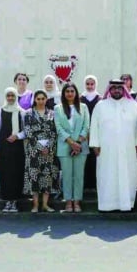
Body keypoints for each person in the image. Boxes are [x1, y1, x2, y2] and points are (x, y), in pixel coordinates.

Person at [89, 80, 137, 212]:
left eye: (119, 88)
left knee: (128, 173)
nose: (117, 90)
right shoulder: (101, 105)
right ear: (109, 90)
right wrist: (95, 144)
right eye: (114, 88)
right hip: (106, 148)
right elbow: (94, 126)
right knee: (107, 174)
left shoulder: (133, 105)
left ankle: (126, 203)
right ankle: (107, 204)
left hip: (128, 147)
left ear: (124, 89)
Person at [55, 83, 90, 213]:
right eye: (67, 91)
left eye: (72, 91)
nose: (70, 93)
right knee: (67, 175)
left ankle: (77, 202)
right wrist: (71, 143)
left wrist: (78, 143)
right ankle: (68, 201)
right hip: (65, 146)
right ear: (64, 94)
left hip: (81, 146)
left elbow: (86, 126)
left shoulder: (84, 107)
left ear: (76, 93)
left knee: (79, 175)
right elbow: (59, 128)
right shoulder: (58, 109)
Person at [23, 89, 57, 213]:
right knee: (34, 177)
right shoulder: (28, 113)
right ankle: (35, 205)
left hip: (49, 150)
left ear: (46, 99)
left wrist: (48, 146)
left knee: (47, 176)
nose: (41, 101)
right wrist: (39, 147)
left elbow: (54, 131)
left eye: (43, 98)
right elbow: (28, 131)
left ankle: (45, 205)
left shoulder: (52, 113)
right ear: (35, 100)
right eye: (38, 99)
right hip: (33, 150)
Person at [0, 88, 26, 213]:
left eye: (12, 95)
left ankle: (15, 202)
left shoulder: (22, 112)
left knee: (16, 173)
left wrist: (17, 136)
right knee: (5, 174)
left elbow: (26, 131)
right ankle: (8, 201)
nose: (10, 98)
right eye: (8, 95)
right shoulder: (0, 111)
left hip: (17, 148)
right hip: (4, 148)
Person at [80, 74, 101, 191]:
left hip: (96, 132)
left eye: (92, 84)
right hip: (83, 133)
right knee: (84, 157)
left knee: (95, 157)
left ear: (95, 84)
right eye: (87, 84)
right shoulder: (80, 98)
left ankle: (94, 184)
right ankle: (85, 184)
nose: (90, 86)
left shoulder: (100, 99)